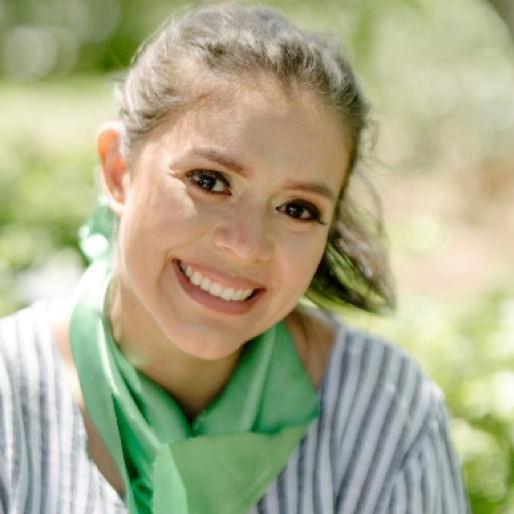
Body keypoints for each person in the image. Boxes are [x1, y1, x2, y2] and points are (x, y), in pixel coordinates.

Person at [0, 3, 469, 513]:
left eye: (297, 209)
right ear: (118, 170)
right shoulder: (10, 393)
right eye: (209, 181)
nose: (246, 245)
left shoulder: (387, 418)